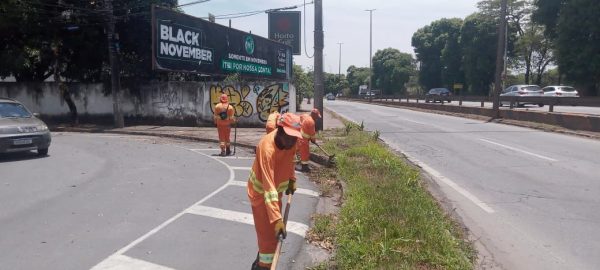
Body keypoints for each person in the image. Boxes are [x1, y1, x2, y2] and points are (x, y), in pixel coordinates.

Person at [248, 113, 302, 270]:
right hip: (260, 194)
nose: (292, 141)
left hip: (273, 193)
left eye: (295, 137)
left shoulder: (292, 142)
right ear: (280, 130)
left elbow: (291, 161)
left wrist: (292, 179)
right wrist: (277, 219)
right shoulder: (267, 148)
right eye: (289, 137)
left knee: (272, 236)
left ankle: (261, 261)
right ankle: (263, 266)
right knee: (268, 239)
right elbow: (268, 186)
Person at [296, 108, 321, 172]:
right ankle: (304, 168)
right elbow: (312, 134)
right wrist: (313, 140)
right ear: (314, 115)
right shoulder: (311, 122)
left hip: (299, 137)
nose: (317, 118)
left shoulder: (306, 116)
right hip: (303, 140)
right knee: (305, 153)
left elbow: (301, 117)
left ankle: (295, 164)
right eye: (317, 116)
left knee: (297, 151)